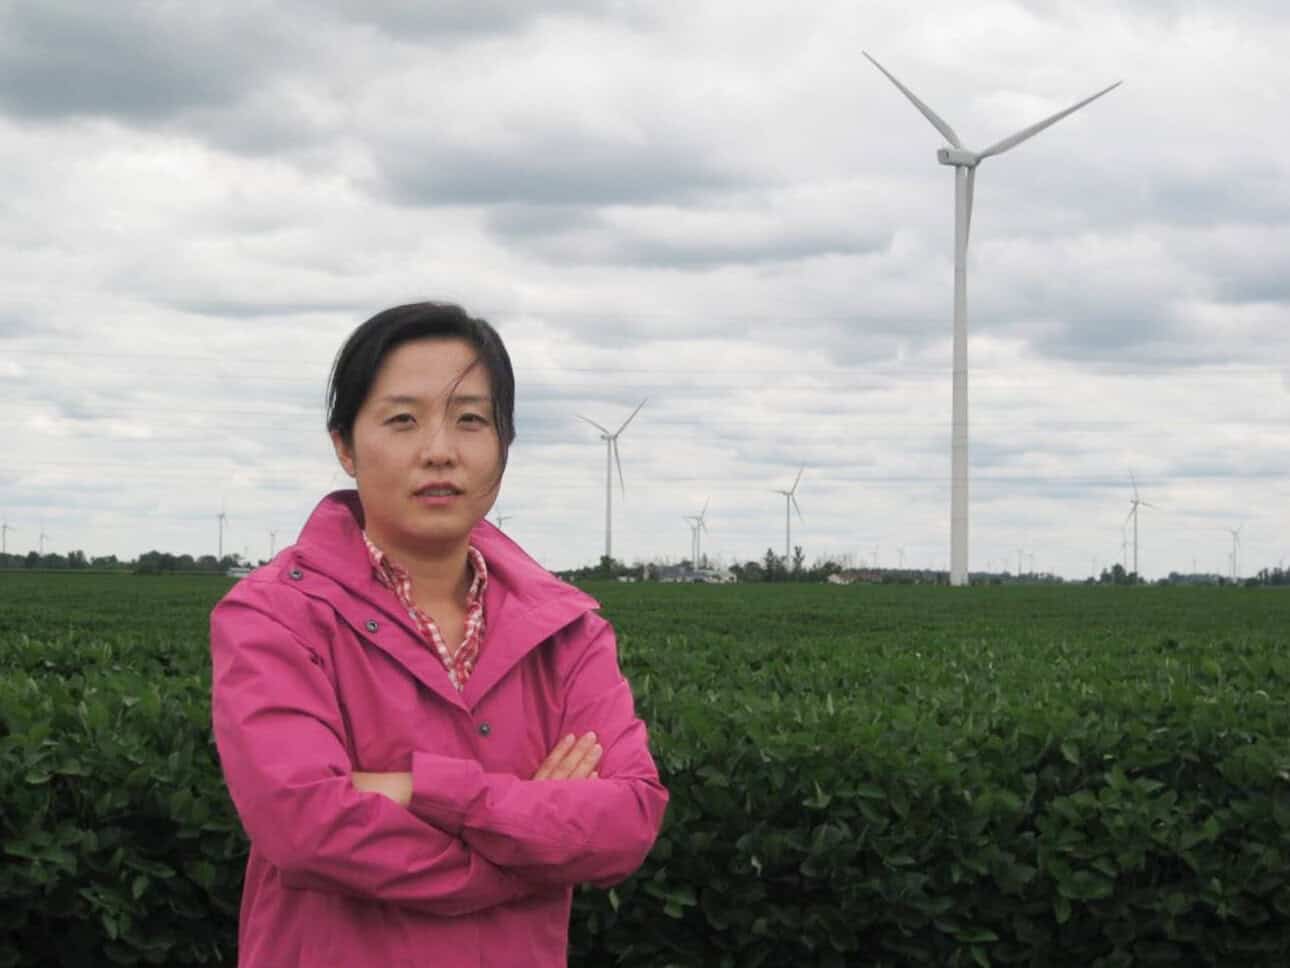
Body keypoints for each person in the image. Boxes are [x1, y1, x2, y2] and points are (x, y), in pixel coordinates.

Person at [209, 302, 668, 966]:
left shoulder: (571, 631)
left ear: (503, 446)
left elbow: (625, 821)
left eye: (471, 420)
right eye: (402, 419)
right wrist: (533, 842)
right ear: (344, 444)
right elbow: (304, 827)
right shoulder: (272, 617)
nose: (440, 450)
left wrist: (421, 789)